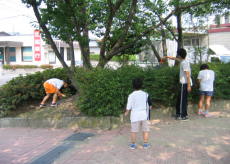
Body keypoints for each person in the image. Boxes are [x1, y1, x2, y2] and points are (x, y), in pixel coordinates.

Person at [124, 78, 152, 149]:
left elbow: (129, 106)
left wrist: (126, 112)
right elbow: (150, 105)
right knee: (145, 130)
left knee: (134, 131)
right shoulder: (146, 94)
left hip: (134, 116)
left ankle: (133, 145)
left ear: (133, 86)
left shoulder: (131, 95)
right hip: (144, 115)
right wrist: (149, 108)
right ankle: (145, 144)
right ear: (141, 85)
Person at [165, 48, 192, 120]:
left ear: (180, 55)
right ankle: (181, 114)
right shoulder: (183, 61)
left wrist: (189, 85)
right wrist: (167, 57)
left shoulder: (184, 63)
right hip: (183, 84)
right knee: (180, 99)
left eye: (177, 54)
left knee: (182, 100)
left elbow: (187, 74)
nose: (177, 55)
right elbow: (175, 59)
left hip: (185, 83)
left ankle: (182, 115)